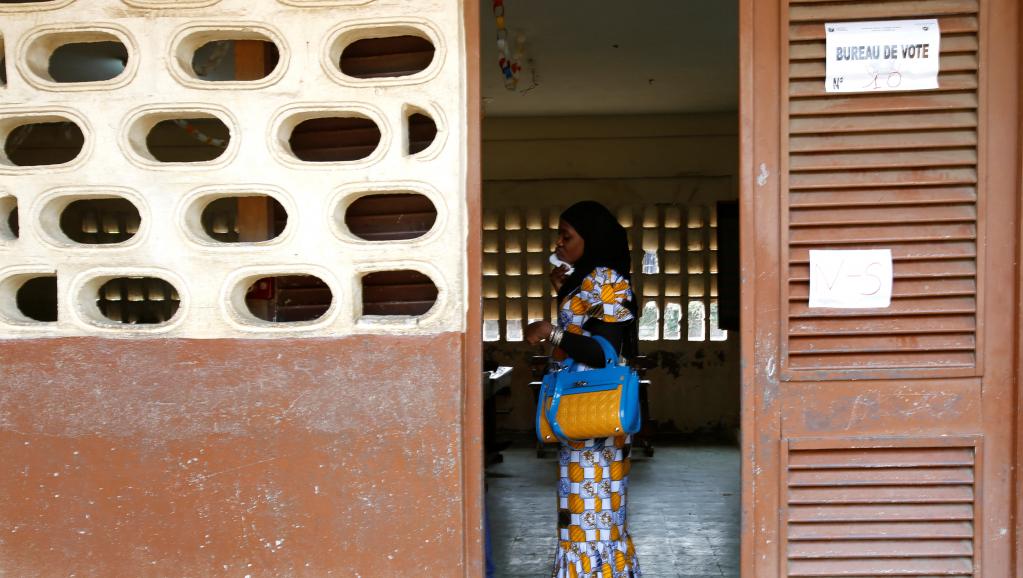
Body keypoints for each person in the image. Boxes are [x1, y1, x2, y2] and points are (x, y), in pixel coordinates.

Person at [525, 200, 641, 578]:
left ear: (591, 239)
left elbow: (601, 349)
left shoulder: (607, 281)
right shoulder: (587, 280)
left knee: (594, 516)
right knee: (581, 515)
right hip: (578, 412)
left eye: (566, 236)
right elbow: (581, 337)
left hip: (594, 412)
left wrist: (550, 329)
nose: (558, 244)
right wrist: (563, 295)